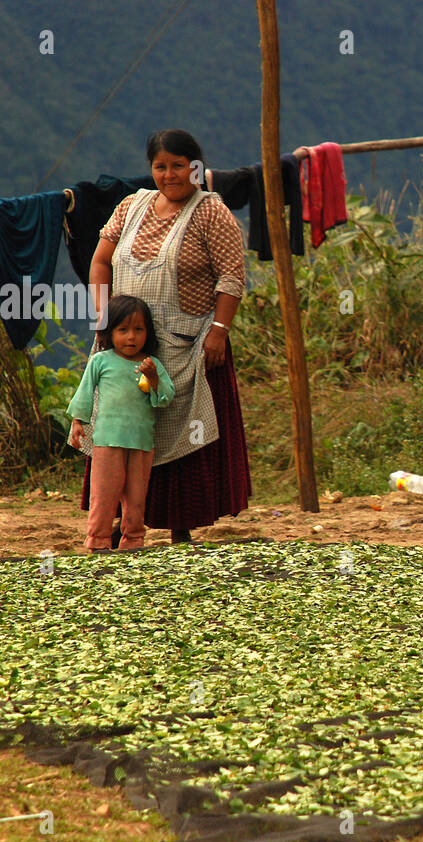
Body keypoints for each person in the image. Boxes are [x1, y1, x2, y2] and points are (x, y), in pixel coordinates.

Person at [82, 128, 252, 546]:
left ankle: (180, 525)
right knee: (121, 429)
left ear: (196, 167)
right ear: (151, 169)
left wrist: (219, 331)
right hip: (123, 345)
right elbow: (101, 261)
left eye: (179, 165)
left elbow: (231, 277)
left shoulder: (211, 211)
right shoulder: (130, 207)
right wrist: (105, 320)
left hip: (189, 344)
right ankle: (120, 523)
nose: (170, 174)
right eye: (161, 166)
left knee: (179, 430)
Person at [67, 295, 173, 551]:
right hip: (107, 442)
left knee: (137, 498)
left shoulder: (152, 364)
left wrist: (154, 378)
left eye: (139, 330)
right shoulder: (100, 361)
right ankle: (99, 541)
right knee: (103, 496)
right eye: (123, 330)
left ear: (148, 332)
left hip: (141, 443)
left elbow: (165, 398)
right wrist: (77, 421)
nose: (131, 337)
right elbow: (84, 392)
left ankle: (133, 541)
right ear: (108, 331)